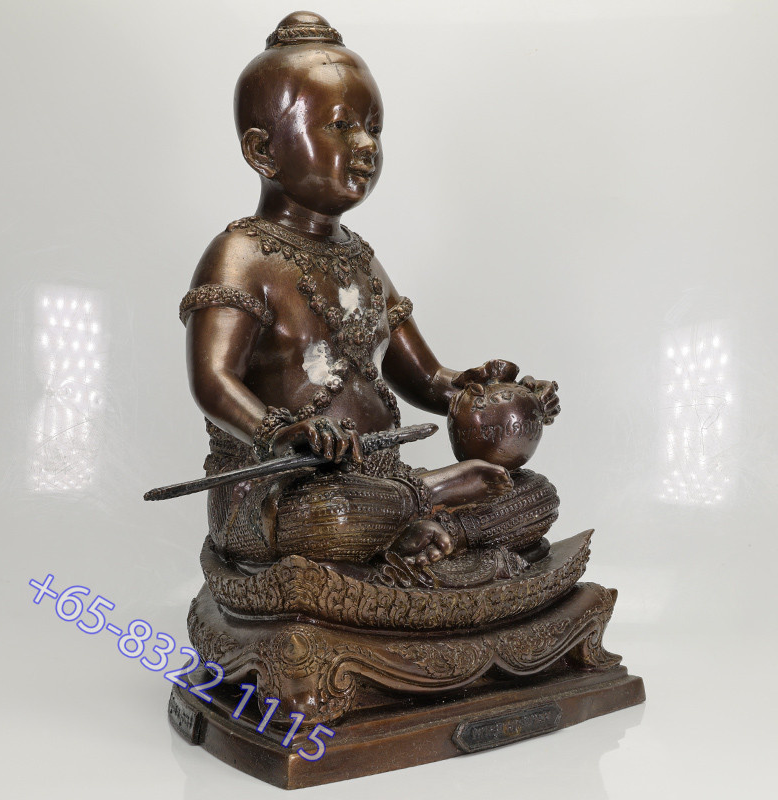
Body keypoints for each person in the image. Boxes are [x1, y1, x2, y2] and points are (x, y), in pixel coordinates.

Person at [180, 12, 560, 572]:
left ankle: (436, 531)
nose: (365, 146)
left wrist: (499, 397)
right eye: (340, 127)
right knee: (334, 514)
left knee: (532, 491)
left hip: (381, 479)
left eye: (374, 129)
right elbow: (213, 379)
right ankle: (431, 505)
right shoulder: (239, 255)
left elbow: (427, 379)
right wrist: (282, 433)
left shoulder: (361, 260)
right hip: (283, 492)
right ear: (263, 151)